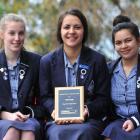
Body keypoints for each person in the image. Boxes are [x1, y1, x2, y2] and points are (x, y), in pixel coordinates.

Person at [39, 8, 110, 140]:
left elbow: (103, 98)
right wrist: (55, 111)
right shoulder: (46, 61)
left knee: (85, 133)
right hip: (57, 122)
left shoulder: (97, 60)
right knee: (57, 134)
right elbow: (44, 97)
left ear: (84, 31)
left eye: (77, 27)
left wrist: (87, 111)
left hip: (89, 122)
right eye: (67, 27)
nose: (71, 31)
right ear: (60, 31)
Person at [0, 13, 44, 140]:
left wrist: (28, 113)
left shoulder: (37, 62)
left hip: (29, 119)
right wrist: (6, 115)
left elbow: (45, 99)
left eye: (21, 33)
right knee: (12, 130)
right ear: (2, 34)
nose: (17, 38)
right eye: (12, 33)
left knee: (29, 132)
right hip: (2, 119)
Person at [102, 15, 140, 140]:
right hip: (118, 122)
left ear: (138, 41)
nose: (123, 46)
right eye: (118, 43)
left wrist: (135, 121)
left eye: (128, 40)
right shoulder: (108, 70)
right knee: (109, 132)